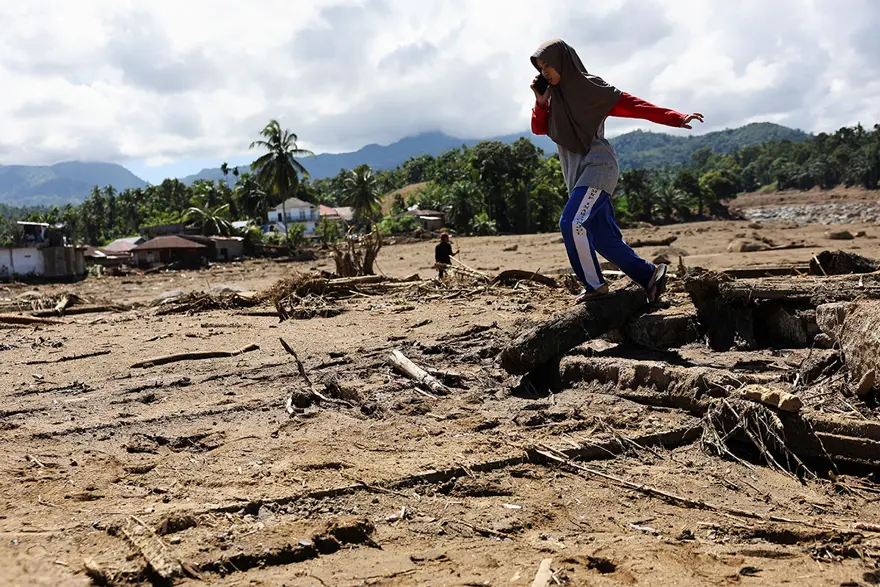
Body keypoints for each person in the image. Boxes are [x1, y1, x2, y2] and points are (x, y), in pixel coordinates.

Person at [530, 38, 704, 303]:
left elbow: (633, 105)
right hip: (576, 176)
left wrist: (676, 117)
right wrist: (541, 102)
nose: (544, 72)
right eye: (540, 68)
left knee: (571, 222)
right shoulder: (553, 97)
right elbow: (539, 128)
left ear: (562, 61)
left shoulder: (591, 87)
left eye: (548, 65)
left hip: (598, 167)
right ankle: (649, 276)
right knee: (603, 240)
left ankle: (595, 286)